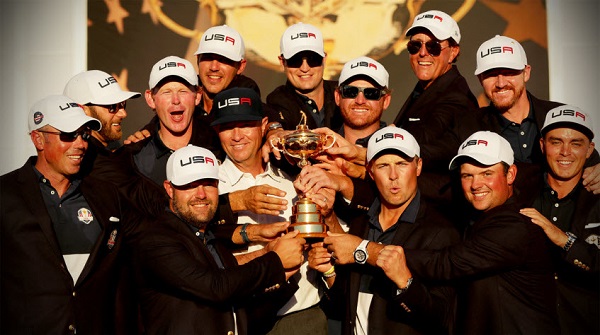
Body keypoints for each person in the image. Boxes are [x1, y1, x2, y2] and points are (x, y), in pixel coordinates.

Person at [379, 131, 559, 334]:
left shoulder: (514, 224)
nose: (475, 184)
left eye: (487, 174)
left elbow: (446, 263)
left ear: (510, 174)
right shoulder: (473, 218)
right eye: (467, 175)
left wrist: (371, 252)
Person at [0, 95, 145, 334]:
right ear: (38, 139)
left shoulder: (106, 195)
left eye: (84, 134)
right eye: (68, 135)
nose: (80, 144)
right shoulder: (5, 195)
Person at [131, 145, 306, 334]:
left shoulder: (210, 239)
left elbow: (240, 313)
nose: (201, 194)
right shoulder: (155, 240)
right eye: (189, 185)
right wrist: (275, 261)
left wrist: (284, 277)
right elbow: (216, 287)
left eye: (208, 183)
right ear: (170, 189)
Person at [212, 87, 342, 334]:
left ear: (263, 126)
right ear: (217, 130)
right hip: (238, 320)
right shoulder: (208, 189)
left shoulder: (293, 184)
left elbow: (332, 248)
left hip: (299, 318)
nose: (237, 135)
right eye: (228, 127)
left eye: (246, 125)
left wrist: (328, 216)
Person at [305, 126, 460, 334]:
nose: (393, 175)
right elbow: (345, 307)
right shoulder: (361, 222)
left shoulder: (441, 231)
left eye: (402, 164)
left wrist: (406, 284)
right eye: (383, 165)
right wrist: (330, 272)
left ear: (419, 166)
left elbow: (444, 319)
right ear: (370, 170)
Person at [463, 35, 600, 196]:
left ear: (526, 73)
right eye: (491, 75)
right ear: (480, 79)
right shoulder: (467, 126)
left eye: (509, 72)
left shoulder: (561, 117)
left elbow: (590, 163)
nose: (500, 83)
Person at [520, 105, 599, 335]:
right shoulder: (520, 190)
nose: (566, 152)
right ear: (543, 145)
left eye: (576, 143)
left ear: (589, 149)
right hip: (527, 324)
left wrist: (564, 240)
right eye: (556, 142)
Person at [392, 9, 479, 205]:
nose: (423, 53)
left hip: (435, 211)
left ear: (453, 52)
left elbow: (428, 141)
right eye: (415, 46)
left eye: (433, 46)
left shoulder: (456, 96)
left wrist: (383, 143)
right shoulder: (426, 88)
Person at [266, 22, 342, 132]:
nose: (305, 68)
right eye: (295, 60)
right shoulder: (276, 101)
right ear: (282, 62)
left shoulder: (346, 94)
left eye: (313, 59)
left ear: (324, 59)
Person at [63, 70, 141, 177]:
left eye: (122, 104)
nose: (123, 113)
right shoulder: (84, 165)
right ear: (83, 111)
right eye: (112, 106)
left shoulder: (114, 152)